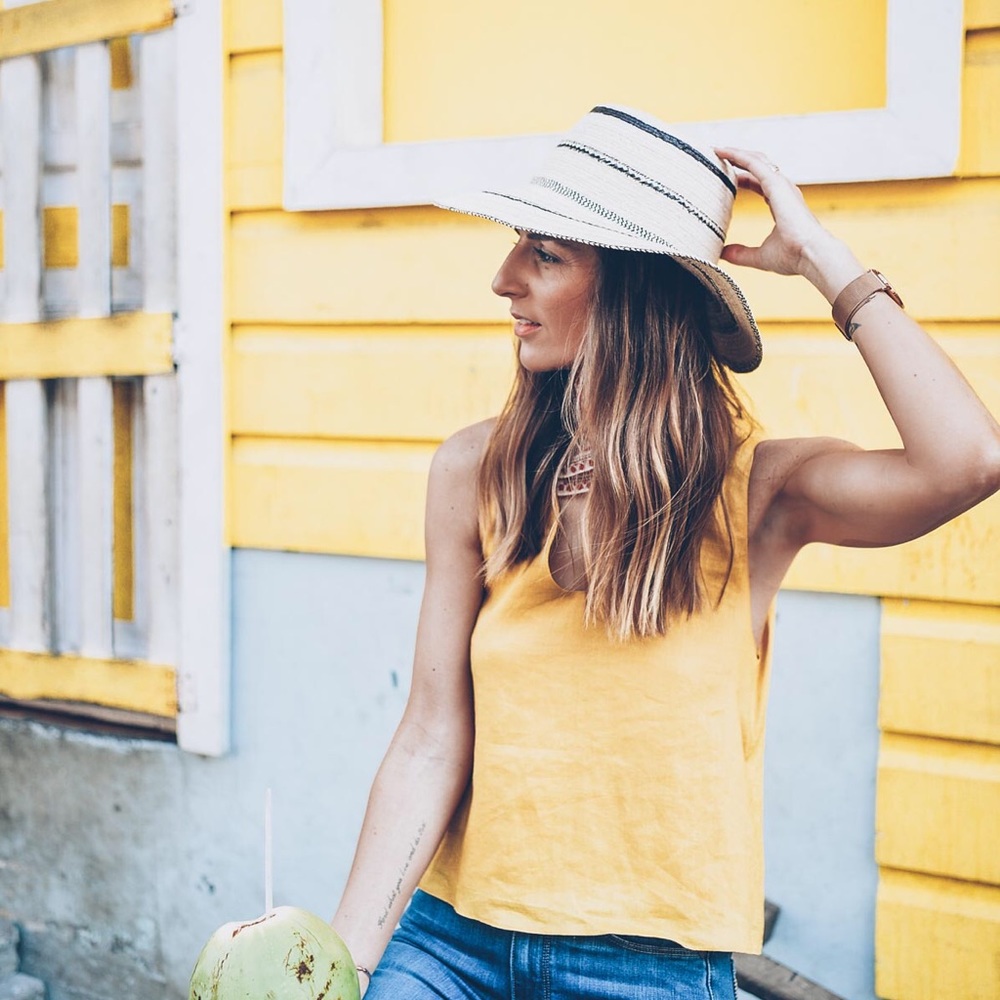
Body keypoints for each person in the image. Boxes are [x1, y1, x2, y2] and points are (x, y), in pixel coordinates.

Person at [329, 105, 1000, 999]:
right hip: (451, 944)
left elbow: (967, 461)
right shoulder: (474, 471)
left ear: (634, 288)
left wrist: (823, 262)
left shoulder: (759, 494)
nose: (502, 279)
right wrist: (340, 963)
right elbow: (428, 736)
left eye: (546, 254)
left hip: (644, 971)